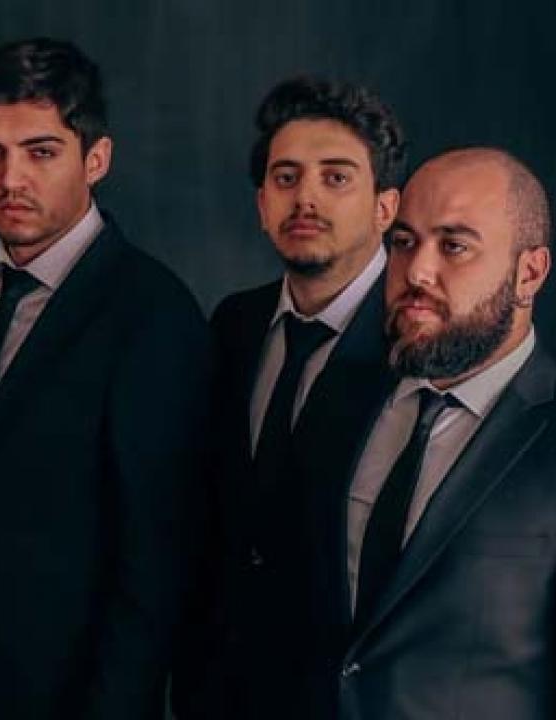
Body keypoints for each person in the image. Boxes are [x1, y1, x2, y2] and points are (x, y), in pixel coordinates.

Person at [0, 37, 211, 719]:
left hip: (70, 700)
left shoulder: (153, 313)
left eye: (40, 152)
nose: (9, 179)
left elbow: (156, 562)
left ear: (95, 158)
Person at [336, 147, 556, 717]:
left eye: (454, 246)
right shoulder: (348, 400)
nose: (416, 272)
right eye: (403, 242)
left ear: (530, 273)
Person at [173, 77, 405, 718]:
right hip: (221, 694)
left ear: (386, 207)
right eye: (286, 177)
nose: (305, 197)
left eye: (336, 178)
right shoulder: (234, 325)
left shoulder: (414, 347)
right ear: (261, 202)